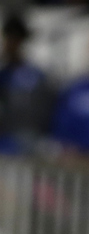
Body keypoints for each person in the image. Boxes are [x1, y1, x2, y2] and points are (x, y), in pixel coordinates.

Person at [0, 13, 55, 152]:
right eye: (8, 39)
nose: (10, 44)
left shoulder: (35, 76)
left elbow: (44, 112)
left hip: (28, 140)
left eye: (15, 39)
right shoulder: (4, 74)